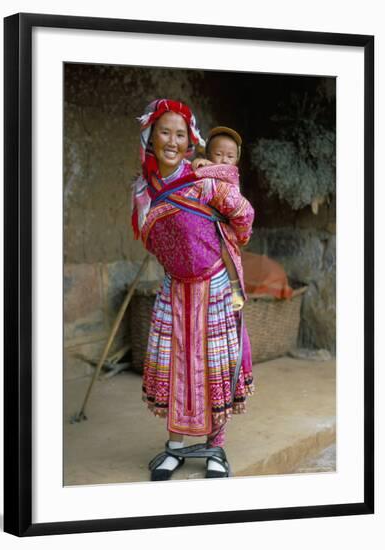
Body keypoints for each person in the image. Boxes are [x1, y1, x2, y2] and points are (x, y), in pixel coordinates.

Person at [132, 99, 254, 481]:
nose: (172, 140)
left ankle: (215, 448)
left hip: (214, 287)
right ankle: (177, 447)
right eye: (164, 132)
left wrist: (224, 243)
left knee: (214, 365)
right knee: (175, 366)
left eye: (180, 134)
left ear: (190, 141)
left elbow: (244, 216)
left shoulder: (205, 180)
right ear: (150, 138)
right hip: (174, 290)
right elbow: (148, 239)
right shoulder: (143, 190)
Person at [192, 126, 245, 311]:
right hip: (204, 222)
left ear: (236, 160)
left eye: (230, 156)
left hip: (223, 225)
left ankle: (235, 290)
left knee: (227, 253)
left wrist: (203, 165)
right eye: (219, 154)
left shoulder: (231, 174)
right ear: (208, 154)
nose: (224, 160)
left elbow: (216, 173)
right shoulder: (205, 170)